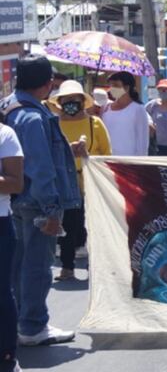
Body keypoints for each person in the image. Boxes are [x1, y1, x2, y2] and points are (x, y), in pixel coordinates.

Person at [0, 55, 79, 346]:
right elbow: (40, 167)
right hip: (35, 201)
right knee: (37, 266)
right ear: (47, 84)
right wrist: (52, 211)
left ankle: (19, 321)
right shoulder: (33, 117)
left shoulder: (9, 107)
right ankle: (33, 326)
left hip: (14, 200)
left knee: (17, 266)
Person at [51, 80, 111, 282]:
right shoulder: (54, 125)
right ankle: (67, 266)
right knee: (68, 225)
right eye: (66, 100)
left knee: (93, 225)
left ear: (82, 101)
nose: (70, 103)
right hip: (65, 183)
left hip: (91, 181)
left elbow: (107, 154)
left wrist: (87, 157)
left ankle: (94, 266)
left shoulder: (95, 124)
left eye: (74, 99)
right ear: (60, 102)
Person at [0, 119, 23, 372]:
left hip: (1, 223)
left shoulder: (5, 135)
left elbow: (15, 183)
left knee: (1, 293)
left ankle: (6, 357)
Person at [101, 71, 150, 156]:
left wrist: (140, 161)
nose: (112, 88)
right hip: (108, 159)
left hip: (129, 160)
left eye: (116, 85)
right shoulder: (106, 108)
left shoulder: (138, 109)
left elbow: (142, 141)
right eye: (111, 85)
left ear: (127, 87)